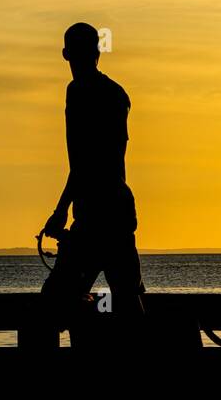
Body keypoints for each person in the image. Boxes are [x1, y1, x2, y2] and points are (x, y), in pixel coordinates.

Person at [35, 22, 145, 344]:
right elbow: (96, 161)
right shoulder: (114, 95)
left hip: (97, 217)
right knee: (127, 302)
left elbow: (86, 163)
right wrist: (64, 209)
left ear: (66, 54)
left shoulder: (83, 94)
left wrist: (60, 210)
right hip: (115, 214)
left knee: (52, 304)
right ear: (98, 52)